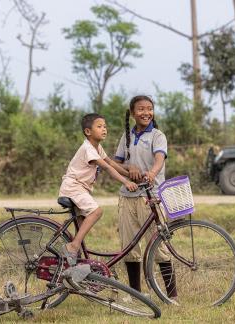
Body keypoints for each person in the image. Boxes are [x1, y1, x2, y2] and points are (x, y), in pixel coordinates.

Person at [114, 95, 178, 302]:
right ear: (132, 113)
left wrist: (151, 173)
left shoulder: (158, 136)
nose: (146, 113)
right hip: (127, 197)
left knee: (158, 247)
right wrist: (129, 168)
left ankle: (172, 296)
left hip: (151, 197)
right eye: (141, 109)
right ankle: (136, 294)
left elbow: (159, 159)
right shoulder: (126, 136)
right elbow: (116, 164)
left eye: (149, 109)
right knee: (129, 247)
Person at [59, 113, 138, 266]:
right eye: (100, 126)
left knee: (81, 227)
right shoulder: (88, 149)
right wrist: (126, 182)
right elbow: (107, 167)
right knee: (96, 211)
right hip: (73, 188)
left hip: (80, 189)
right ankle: (72, 247)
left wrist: (131, 175)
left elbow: (113, 164)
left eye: (105, 126)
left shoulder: (97, 147)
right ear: (88, 132)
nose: (104, 129)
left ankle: (74, 261)